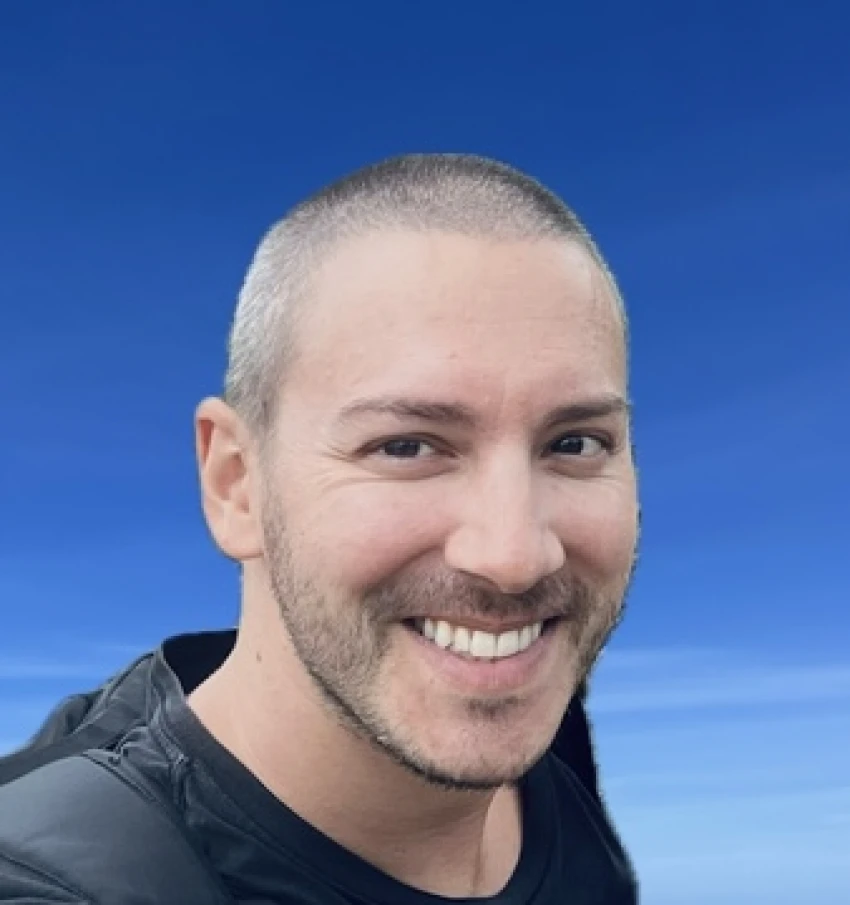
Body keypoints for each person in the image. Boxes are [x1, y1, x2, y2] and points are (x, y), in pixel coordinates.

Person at [0, 154, 639, 903]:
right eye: (406, 447)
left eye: (575, 443)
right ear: (236, 483)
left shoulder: (541, 727)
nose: (515, 556)